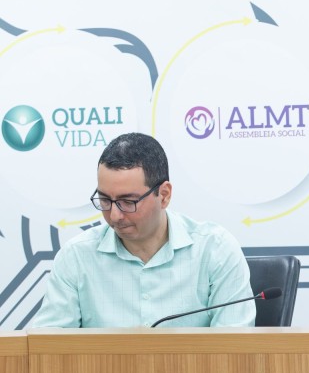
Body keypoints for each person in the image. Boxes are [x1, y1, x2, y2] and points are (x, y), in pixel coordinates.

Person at [32, 132, 256, 328]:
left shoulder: (215, 250)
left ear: (164, 195)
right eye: (105, 200)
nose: (114, 216)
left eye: (128, 202)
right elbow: (48, 348)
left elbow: (234, 347)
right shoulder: (76, 257)